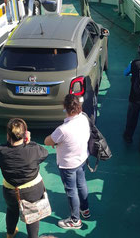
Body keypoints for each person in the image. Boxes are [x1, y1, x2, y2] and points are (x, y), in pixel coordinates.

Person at [0, 118, 48, 238]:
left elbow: (8, 148)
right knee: (33, 216)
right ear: (25, 135)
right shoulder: (33, 150)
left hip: (10, 191)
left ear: (8, 135)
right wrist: (29, 142)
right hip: (32, 190)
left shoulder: (0, 150)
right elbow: (44, 153)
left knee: (12, 210)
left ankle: (10, 233)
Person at [44, 94, 90, 230]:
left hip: (67, 165)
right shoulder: (84, 118)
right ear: (79, 107)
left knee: (71, 191)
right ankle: (85, 210)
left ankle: (75, 220)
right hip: (82, 159)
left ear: (65, 107)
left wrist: (55, 142)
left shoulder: (62, 130)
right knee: (81, 184)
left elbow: (47, 141)